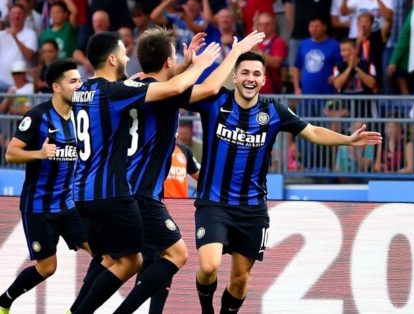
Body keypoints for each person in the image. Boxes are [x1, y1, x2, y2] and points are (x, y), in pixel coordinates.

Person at [188, 51, 382, 314]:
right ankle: (206, 310)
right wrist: (184, 65)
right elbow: (176, 92)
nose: (250, 79)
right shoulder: (214, 101)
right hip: (214, 203)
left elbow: (312, 131)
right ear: (234, 76)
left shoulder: (273, 110)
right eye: (244, 72)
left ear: (264, 80)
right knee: (209, 266)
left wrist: (347, 140)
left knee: (240, 279)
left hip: (252, 209)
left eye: (256, 74)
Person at [113, 29, 265, 313]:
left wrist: (184, 65)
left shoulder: (132, 85)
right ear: (168, 62)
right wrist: (227, 55)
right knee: (175, 256)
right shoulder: (168, 95)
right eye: (173, 59)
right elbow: (207, 90)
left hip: (117, 191)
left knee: (120, 261)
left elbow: (167, 81)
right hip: (143, 195)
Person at [69, 31, 220, 314]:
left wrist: (182, 66)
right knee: (161, 256)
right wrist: (201, 65)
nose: (129, 58)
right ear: (112, 58)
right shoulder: (115, 92)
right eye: (124, 53)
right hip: (111, 191)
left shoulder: (82, 92)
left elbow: (159, 83)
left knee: (115, 259)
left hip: (81, 192)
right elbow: (173, 89)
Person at [0, 59, 91, 314]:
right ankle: (4, 301)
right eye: (72, 81)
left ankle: (78, 309)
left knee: (103, 254)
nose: (79, 85)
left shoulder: (81, 116)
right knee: (47, 268)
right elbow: (11, 153)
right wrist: (40, 154)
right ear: (56, 87)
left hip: (69, 205)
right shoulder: (37, 116)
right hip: (39, 206)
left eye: (79, 80)